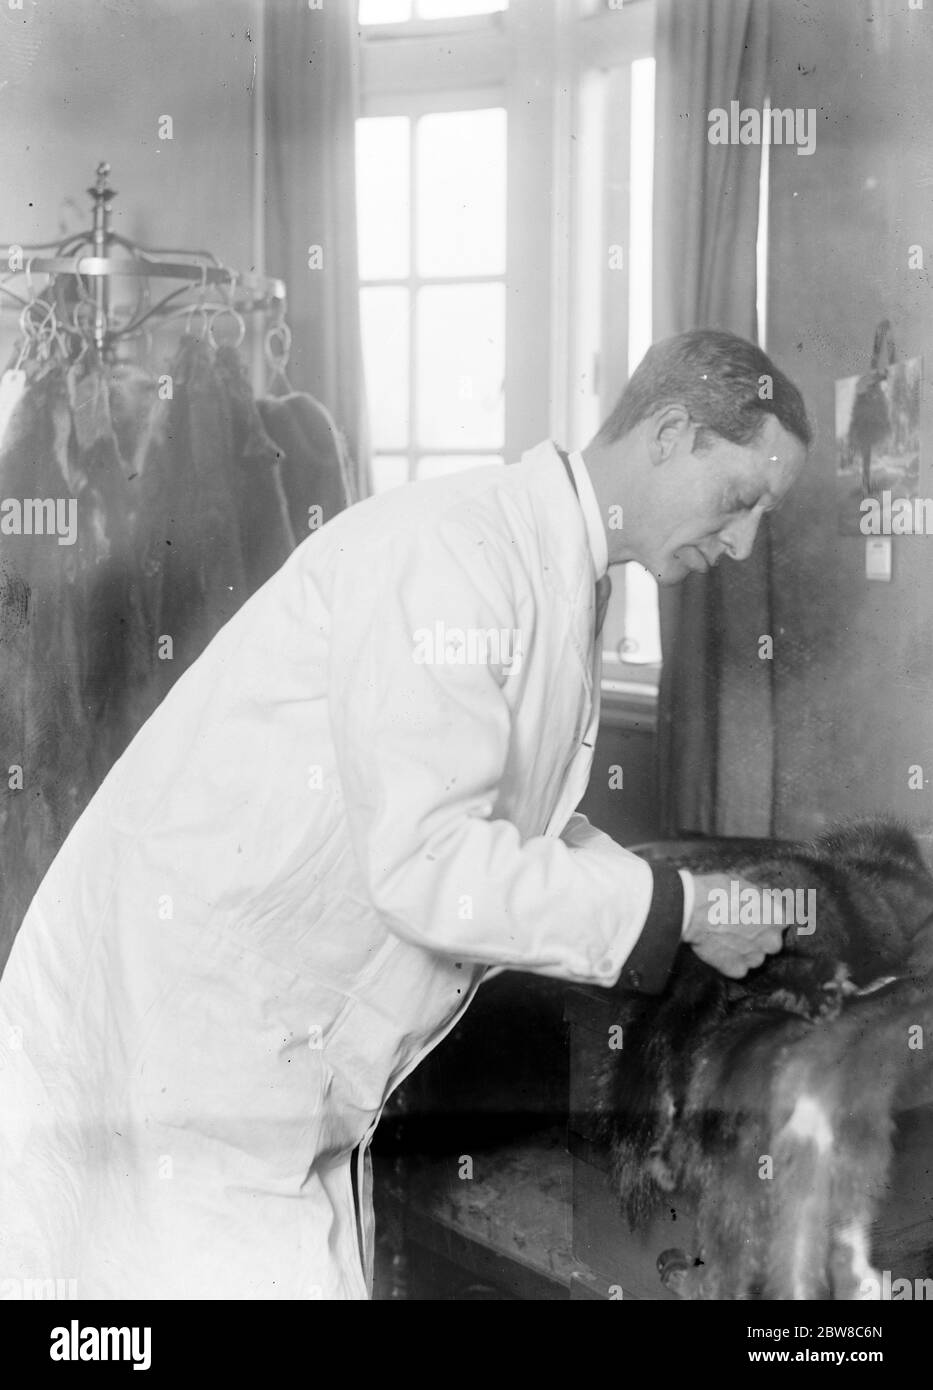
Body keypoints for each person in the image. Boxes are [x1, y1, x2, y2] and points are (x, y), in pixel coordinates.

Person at [0, 328, 811, 1300]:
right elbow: (432, 864)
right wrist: (668, 908)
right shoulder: (454, 553)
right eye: (741, 498)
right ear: (672, 433)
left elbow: (514, 825)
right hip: (180, 1016)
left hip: (276, 1040)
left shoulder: (547, 566)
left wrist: (688, 901)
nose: (744, 542)